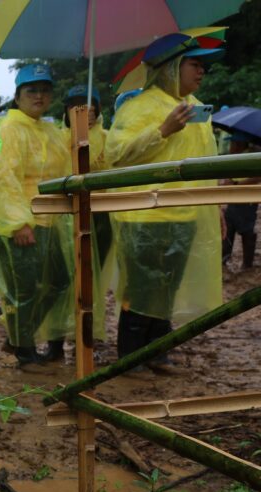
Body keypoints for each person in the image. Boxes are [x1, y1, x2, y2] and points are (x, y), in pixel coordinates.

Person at [104, 34, 225, 366]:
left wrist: (215, 205)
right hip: (143, 217)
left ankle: (158, 350)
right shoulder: (137, 107)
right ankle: (131, 356)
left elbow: (206, 163)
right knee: (140, 289)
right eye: (194, 64)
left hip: (184, 216)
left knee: (168, 288)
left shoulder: (196, 109)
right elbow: (116, 154)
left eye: (203, 66)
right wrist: (162, 130)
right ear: (171, 67)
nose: (201, 72)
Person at [0, 64, 74, 367]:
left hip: (51, 222)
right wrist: (18, 223)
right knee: (26, 288)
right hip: (23, 224)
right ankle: (23, 348)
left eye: (45, 90)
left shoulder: (50, 130)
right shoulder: (9, 129)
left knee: (60, 281)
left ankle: (19, 335)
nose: (39, 96)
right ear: (18, 96)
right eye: (32, 90)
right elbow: (0, 179)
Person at [63, 85, 113, 271]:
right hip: (69, 212)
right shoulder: (59, 139)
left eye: (86, 104)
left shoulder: (109, 138)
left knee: (99, 267)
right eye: (74, 105)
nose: (80, 109)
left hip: (102, 211)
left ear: (97, 109)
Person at [220, 133, 259, 270]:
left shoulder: (251, 157)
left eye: (232, 144)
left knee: (246, 230)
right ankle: (224, 259)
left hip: (247, 200)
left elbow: (257, 177)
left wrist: (236, 184)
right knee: (229, 227)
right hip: (234, 199)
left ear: (239, 145)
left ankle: (247, 264)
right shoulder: (236, 157)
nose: (230, 147)